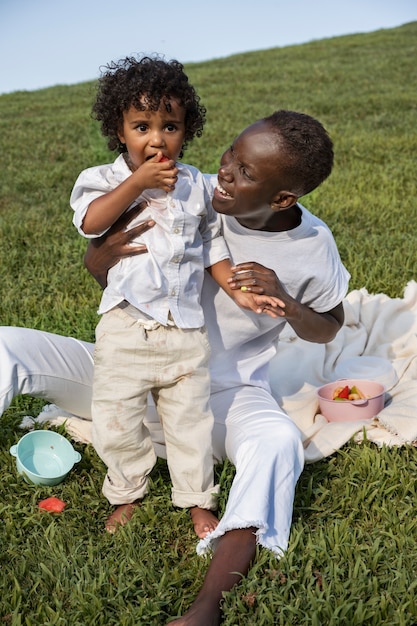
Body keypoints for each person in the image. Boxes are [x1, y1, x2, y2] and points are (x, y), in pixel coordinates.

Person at [0, 109, 350, 625]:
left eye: (247, 172)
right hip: (130, 367)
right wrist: (96, 263)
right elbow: (110, 261)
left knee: (277, 442)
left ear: (283, 199)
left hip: (221, 396)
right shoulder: (184, 190)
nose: (226, 171)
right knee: (6, 344)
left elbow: (331, 325)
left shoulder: (312, 246)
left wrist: (289, 303)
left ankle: (207, 603)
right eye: (232, 153)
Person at [70, 55, 279, 536]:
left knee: (191, 422)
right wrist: (136, 183)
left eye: (171, 126)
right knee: (116, 420)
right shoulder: (102, 179)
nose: (157, 139)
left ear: (187, 131)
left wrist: (236, 288)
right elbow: (91, 222)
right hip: (126, 325)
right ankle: (128, 492)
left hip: (185, 330)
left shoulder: (194, 187)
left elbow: (211, 244)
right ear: (120, 131)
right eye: (141, 126)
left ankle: (195, 498)